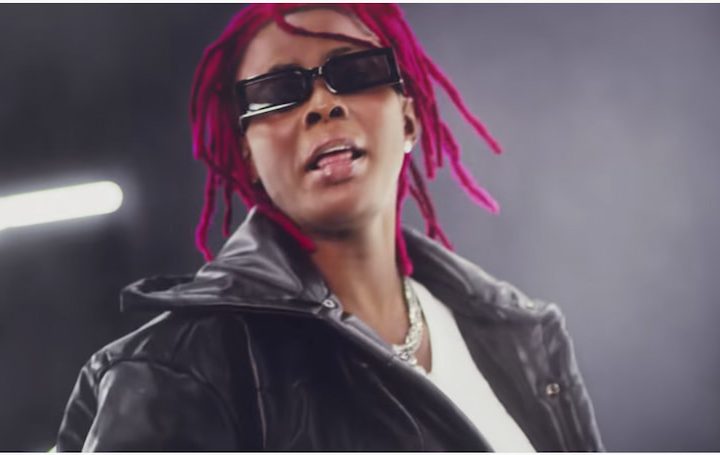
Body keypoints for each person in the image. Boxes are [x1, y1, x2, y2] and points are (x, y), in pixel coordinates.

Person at [56, 4, 603, 451]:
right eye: (277, 92)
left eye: (355, 72)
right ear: (246, 155)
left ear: (408, 119)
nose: (322, 104)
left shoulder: (521, 334)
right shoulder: (178, 372)